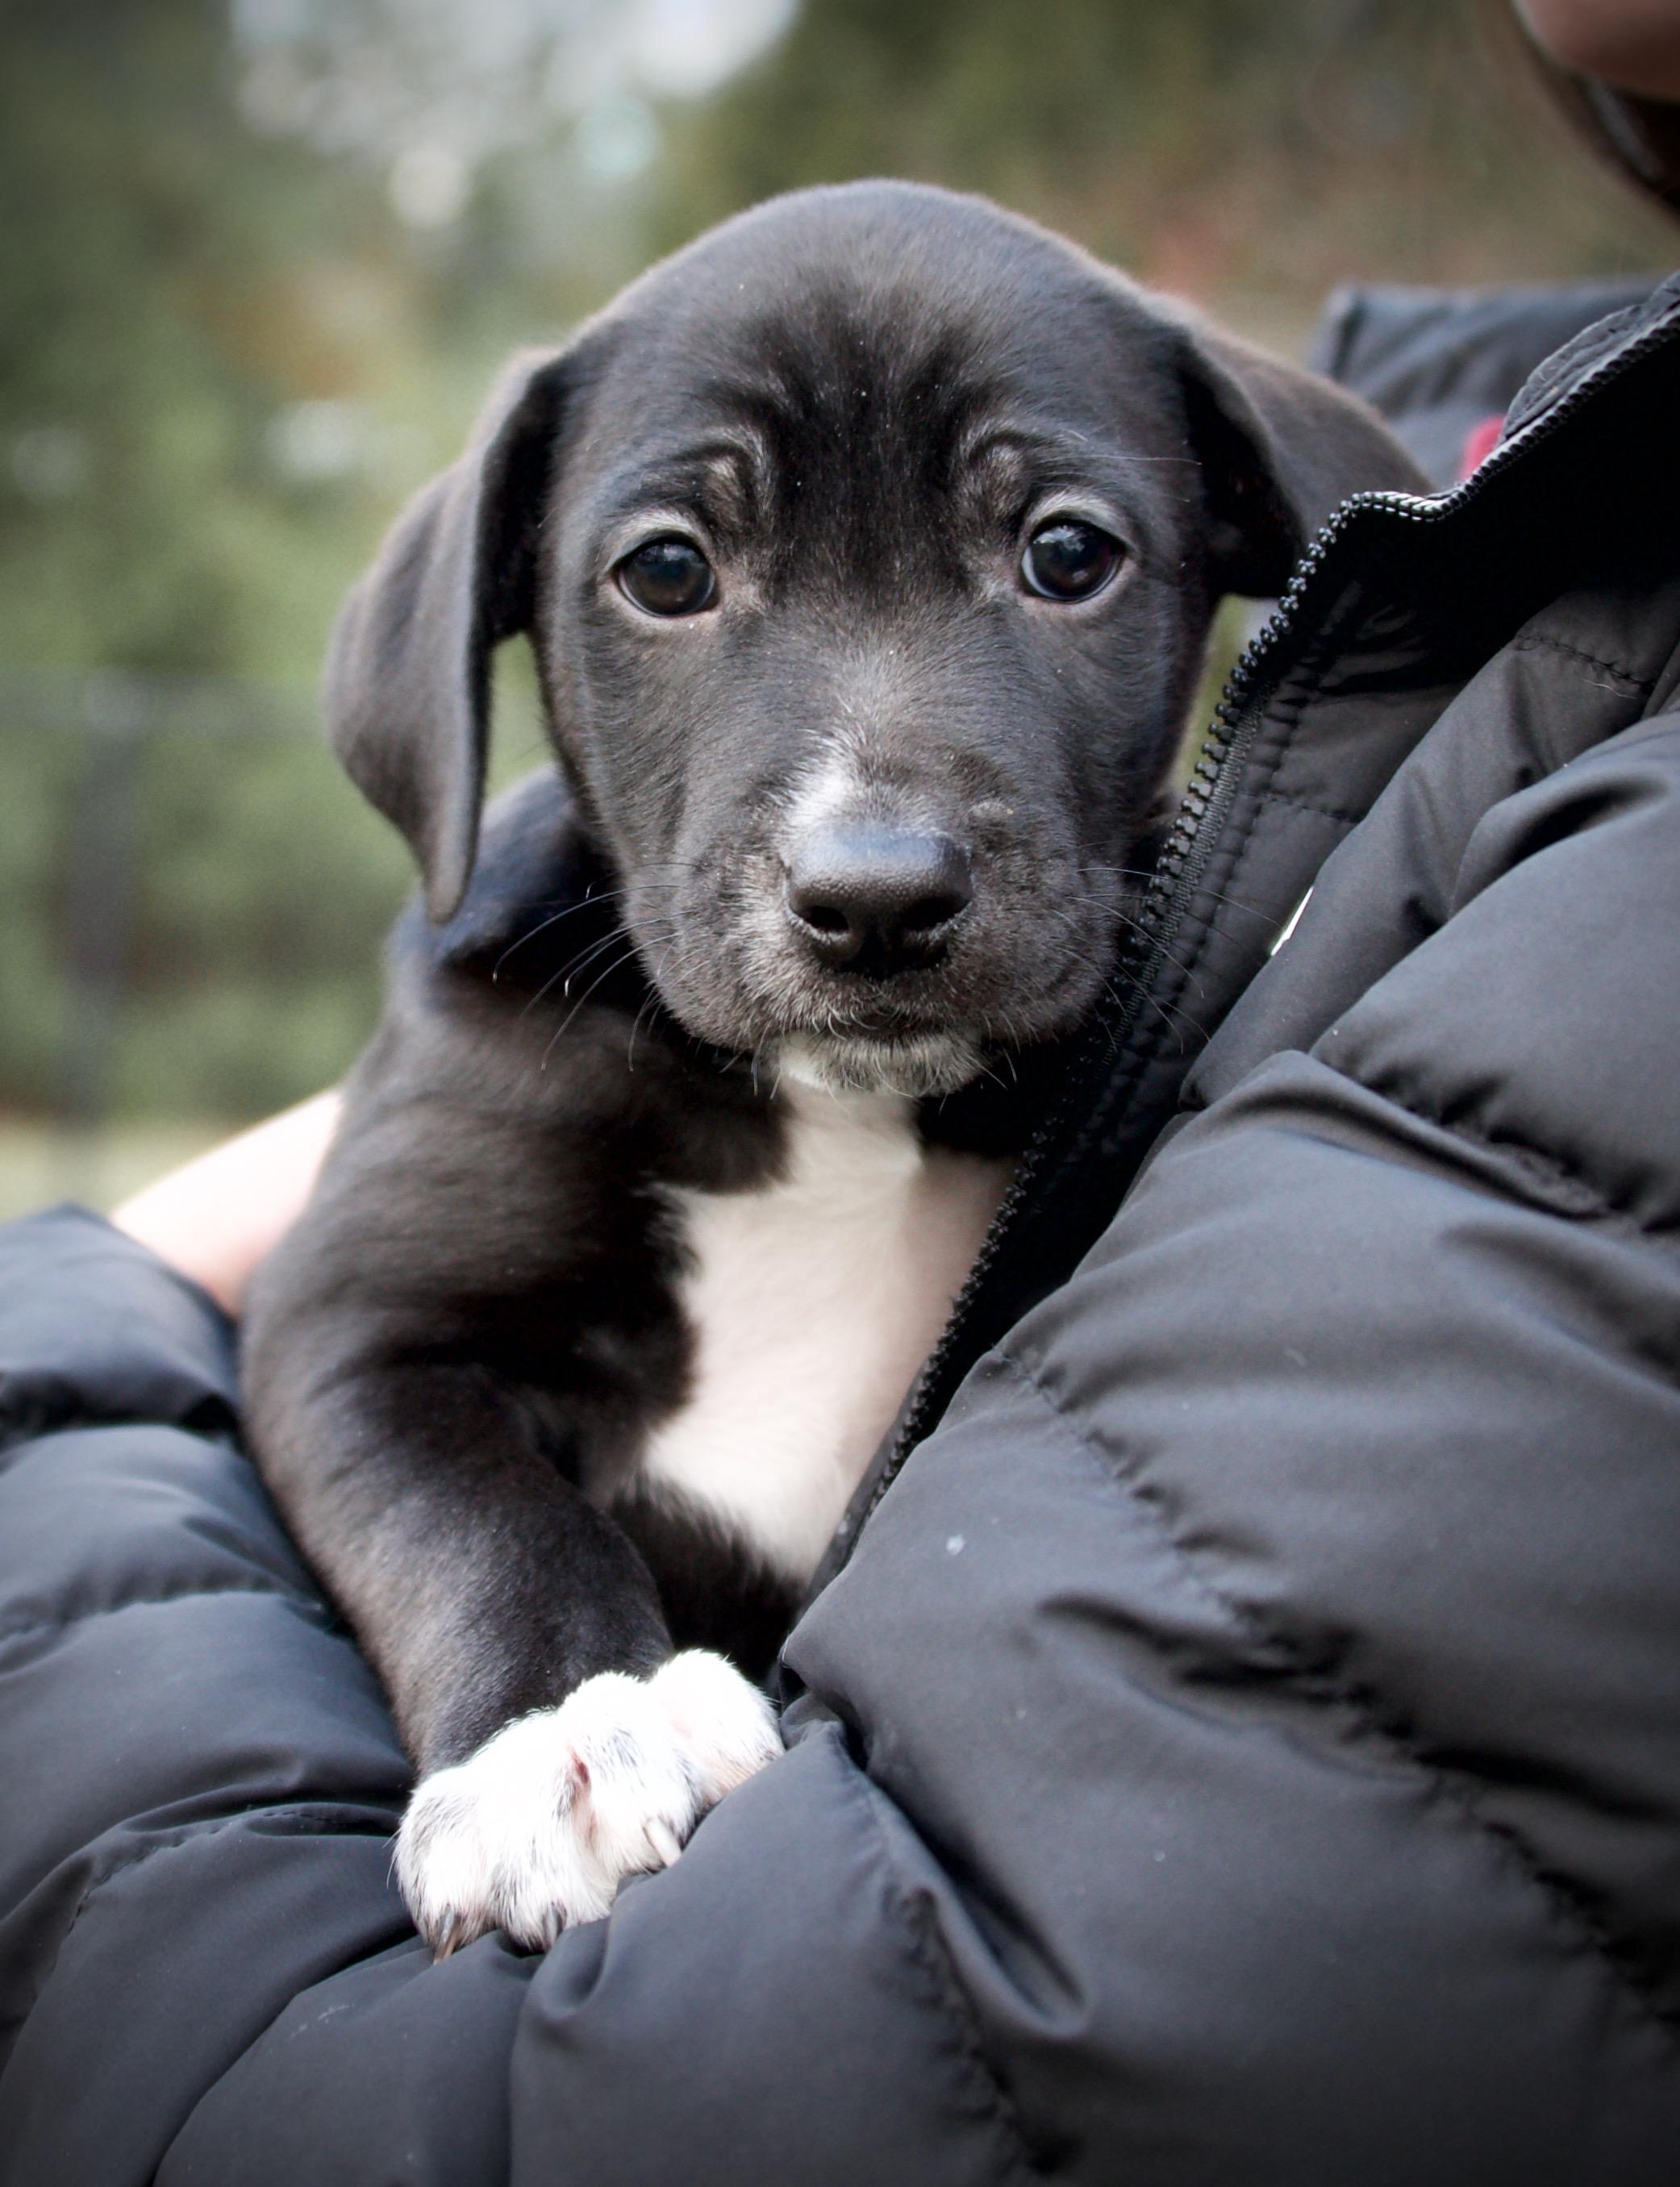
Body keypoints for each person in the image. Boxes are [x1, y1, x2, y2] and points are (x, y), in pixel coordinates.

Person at [4, 6, 1680, 2180]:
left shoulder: (1315, 1016)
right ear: (489, 649)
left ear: (1243, 550)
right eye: (673, 573)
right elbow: (361, 1356)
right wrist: (544, 1694)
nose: (866, 836)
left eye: (1058, 557)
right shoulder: (510, 1041)